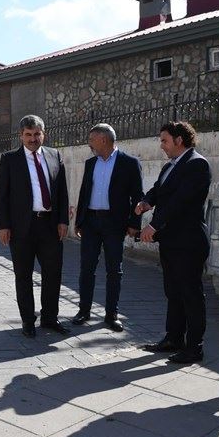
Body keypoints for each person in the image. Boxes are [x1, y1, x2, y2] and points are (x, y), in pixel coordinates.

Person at [137, 121, 211, 364]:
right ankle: (173, 339)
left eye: (164, 140)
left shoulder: (196, 164)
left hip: (189, 241)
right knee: (174, 292)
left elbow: (180, 201)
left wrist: (154, 225)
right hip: (171, 241)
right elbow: (159, 190)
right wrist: (146, 202)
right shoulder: (171, 165)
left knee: (190, 294)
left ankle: (194, 347)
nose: (161, 146)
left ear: (179, 140)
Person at [0, 115, 70, 338]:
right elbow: (2, 196)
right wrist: (3, 226)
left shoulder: (54, 155)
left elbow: (62, 191)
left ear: (43, 134)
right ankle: (28, 320)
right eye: (28, 135)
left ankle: (50, 318)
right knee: (23, 276)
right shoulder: (9, 159)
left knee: (53, 274)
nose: (33, 139)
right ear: (21, 136)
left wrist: (63, 220)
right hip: (21, 228)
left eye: (37, 134)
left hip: (50, 225)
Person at [72, 124, 143, 332]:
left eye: (92, 139)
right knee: (87, 268)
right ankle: (83, 310)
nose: (89, 143)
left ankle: (111, 314)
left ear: (103, 139)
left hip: (114, 223)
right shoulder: (90, 163)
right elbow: (84, 192)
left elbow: (137, 195)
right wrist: (79, 221)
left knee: (114, 270)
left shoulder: (129, 163)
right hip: (91, 222)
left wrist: (134, 224)